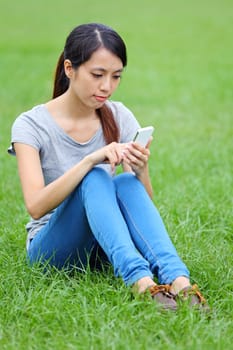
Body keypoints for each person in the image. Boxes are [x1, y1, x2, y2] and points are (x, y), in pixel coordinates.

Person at [9, 23, 208, 311]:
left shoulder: (119, 115)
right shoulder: (30, 125)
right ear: (69, 68)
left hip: (103, 245)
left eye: (116, 76)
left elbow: (141, 210)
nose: (107, 87)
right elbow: (36, 206)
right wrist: (90, 159)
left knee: (126, 183)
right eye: (97, 75)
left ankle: (178, 280)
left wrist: (140, 170)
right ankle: (141, 283)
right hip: (52, 250)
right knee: (94, 177)